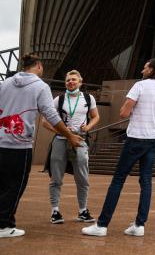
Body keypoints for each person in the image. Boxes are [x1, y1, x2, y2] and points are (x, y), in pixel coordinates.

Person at [0, 54, 84, 238]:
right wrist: (69, 135)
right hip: (19, 145)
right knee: (14, 185)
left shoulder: (5, 83)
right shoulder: (40, 86)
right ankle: (4, 226)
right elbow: (51, 115)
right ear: (38, 66)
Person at [82, 58, 155, 238]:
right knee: (146, 182)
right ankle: (139, 225)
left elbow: (124, 112)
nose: (142, 69)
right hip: (153, 139)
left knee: (118, 180)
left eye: (145, 67)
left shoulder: (139, 86)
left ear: (152, 70)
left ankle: (102, 224)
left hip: (135, 138)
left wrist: (135, 111)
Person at [41, 70, 100, 224]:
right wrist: (62, 131)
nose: (71, 82)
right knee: (56, 178)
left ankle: (83, 211)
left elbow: (96, 116)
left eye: (74, 80)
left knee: (82, 178)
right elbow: (44, 121)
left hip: (80, 140)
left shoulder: (88, 98)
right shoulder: (58, 99)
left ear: (80, 82)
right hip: (60, 140)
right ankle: (55, 211)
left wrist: (88, 127)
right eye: (68, 80)